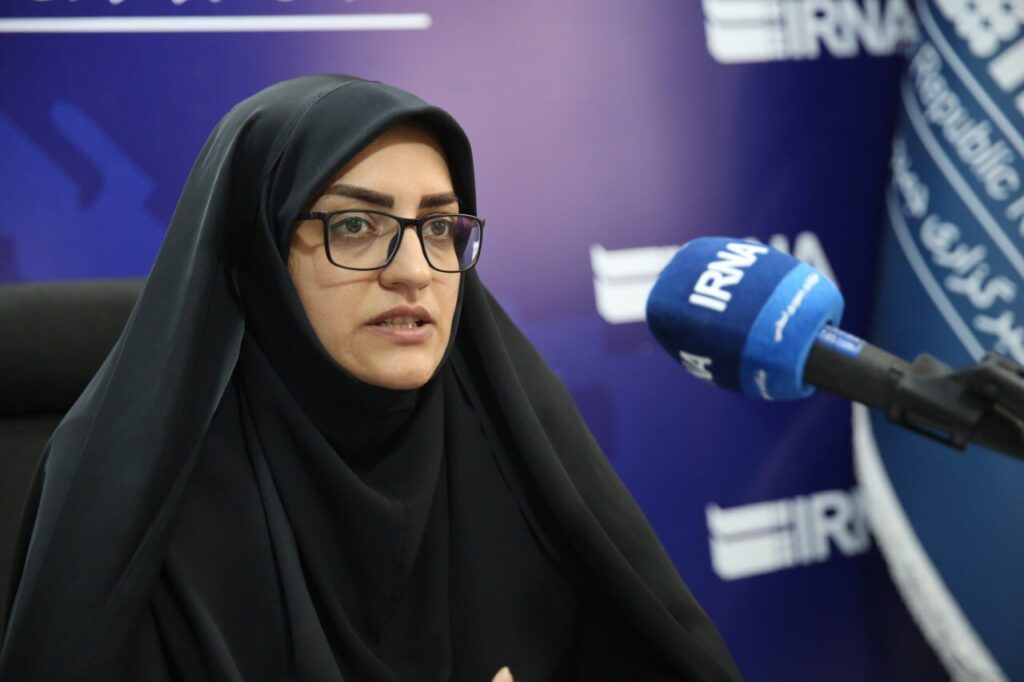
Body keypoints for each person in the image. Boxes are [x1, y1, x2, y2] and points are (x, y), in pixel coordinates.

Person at [0, 75, 742, 681]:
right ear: (260, 252)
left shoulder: (513, 444)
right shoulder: (144, 498)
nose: (415, 273)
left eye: (440, 227)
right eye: (356, 226)